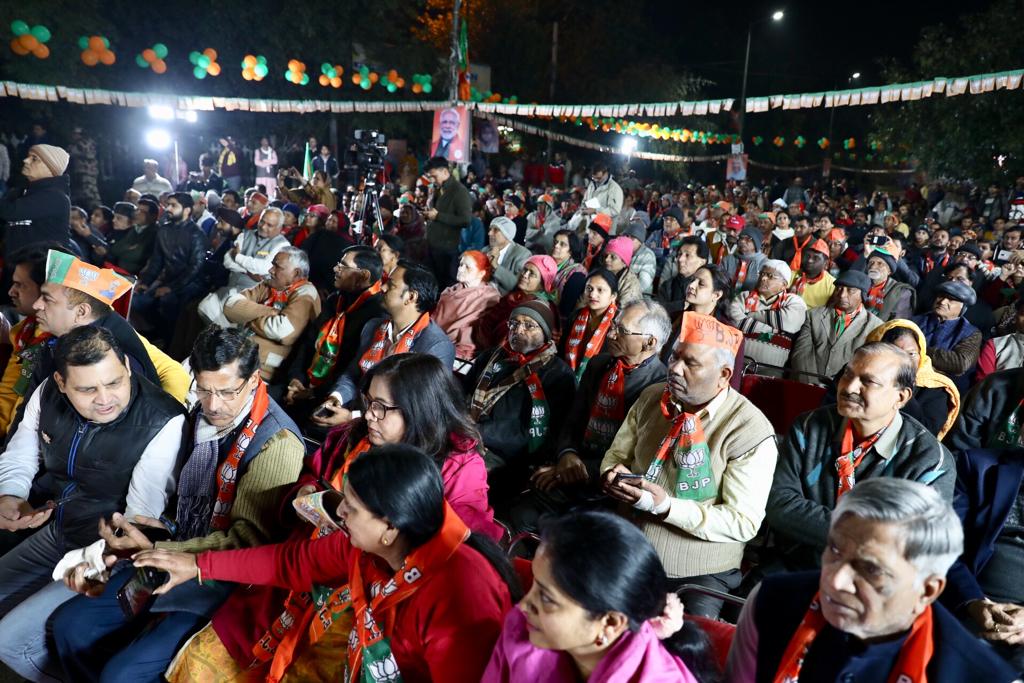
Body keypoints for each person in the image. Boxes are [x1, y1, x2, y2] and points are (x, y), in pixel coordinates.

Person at [166, 354, 505, 680]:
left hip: (372, 603)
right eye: (368, 401)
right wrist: (312, 494)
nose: (368, 415)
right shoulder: (357, 443)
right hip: (321, 569)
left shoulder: (448, 578)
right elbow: (294, 561)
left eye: (381, 408)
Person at [132, 444, 517, 682]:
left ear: (389, 527)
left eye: (351, 506)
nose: (340, 512)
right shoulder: (371, 547)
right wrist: (198, 565)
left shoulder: (462, 591)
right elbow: (291, 563)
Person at [50, 327, 305, 681]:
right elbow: (180, 506)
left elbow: (250, 541)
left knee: (122, 675)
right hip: (171, 550)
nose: (214, 404)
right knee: (69, 627)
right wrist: (145, 533)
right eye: (204, 388)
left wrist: (159, 546)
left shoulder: (275, 442)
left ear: (253, 380)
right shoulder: (199, 415)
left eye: (228, 391)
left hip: (224, 579)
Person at [0, 327, 186, 681]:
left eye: (114, 382)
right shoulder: (48, 392)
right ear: (62, 382)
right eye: (87, 389)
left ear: (128, 367)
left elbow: (139, 519)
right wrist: (10, 494)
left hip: (105, 550)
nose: (105, 398)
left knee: (9, 640)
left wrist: (95, 565)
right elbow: (22, 451)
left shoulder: (163, 421)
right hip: (60, 526)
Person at [729, 478, 1019, 682]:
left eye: (871, 570)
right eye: (834, 550)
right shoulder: (773, 602)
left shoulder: (978, 676)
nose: (836, 581)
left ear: (928, 590)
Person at [601, 312, 777, 617]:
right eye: (674, 358)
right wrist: (612, 474)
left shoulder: (749, 430)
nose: (675, 370)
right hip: (632, 547)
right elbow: (617, 455)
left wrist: (667, 506)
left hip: (699, 571)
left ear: (724, 375)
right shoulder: (654, 398)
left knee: (689, 647)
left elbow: (742, 522)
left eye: (691, 363)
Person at [766, 343, 955, 571]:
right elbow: (778, 504)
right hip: (793, 563)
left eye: (868, 382)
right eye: (847, 374)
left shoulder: (929, 460)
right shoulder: (809, 426)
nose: (849, 388)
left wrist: (816, 527)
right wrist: (867, 534)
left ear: (901, 397)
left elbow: (907, 543)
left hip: (868, 578)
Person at [484, 511, 712, 683]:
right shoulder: (523, 631)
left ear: (610, 623)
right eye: (534, 585)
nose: (524, 605)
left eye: (546, 599)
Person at [509, 301, 671, 532]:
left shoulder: (659, 388)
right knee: (522, 514)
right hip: (571, 466)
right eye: (614, 325)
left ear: (649, 342)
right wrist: (567, 454)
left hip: (608, 486)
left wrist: (577, 469)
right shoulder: (600, 364)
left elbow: (637, 459)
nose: (611, 333)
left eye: (622, 331)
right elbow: (574, 418)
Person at [18, 250, 189, 429]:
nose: (37, 305)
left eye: (47, 299)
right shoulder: (61, 338)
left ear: (82, 312)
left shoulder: (117, 358)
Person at [316, 261, 454, 426]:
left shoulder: (435, 346)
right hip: (356, 412)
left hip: (390, 431)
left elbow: (417, 409)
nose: (382, 288)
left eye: (391, 284)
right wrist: (336, 398)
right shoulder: (373, 326)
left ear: (411, 297)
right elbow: (353, 375)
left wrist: (352, 418)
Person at [466, 300, 575, 494]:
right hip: (468, 433)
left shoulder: (557, 374)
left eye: (529, 325)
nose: (518, 330)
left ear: (545, 333)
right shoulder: (492, 356)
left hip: (507, 455)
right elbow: (462, 392)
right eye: (514, 323)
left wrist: (478, 431)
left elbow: (536, 434)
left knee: (461, 475)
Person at [223, 247, 322, 381]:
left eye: (277, 266)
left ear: (296, 273)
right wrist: (274, 313)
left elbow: (283, 331)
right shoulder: (270, 284)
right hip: (237, 358)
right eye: (272, 265)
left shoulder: (306, 293)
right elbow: (230, 306)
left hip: (263, 373)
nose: (270, 270)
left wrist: (248, 319)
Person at [866, 319, 962, 439]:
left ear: (921, 353)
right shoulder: (860, 371)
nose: (905, 361)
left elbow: (927, 434)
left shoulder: (937, 389)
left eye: (911, 354)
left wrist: (899, 386)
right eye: (896, 353)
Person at [198, 206, 291, 326]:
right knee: (203, 308)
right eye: (262, 221)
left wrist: (238, 258)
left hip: (253, 295)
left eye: (269, 225)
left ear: (279, 228)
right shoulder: (245, 234)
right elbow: (227, 261)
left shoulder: (283, 245)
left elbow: (264, 268)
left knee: (227, 315)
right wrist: (248, 271)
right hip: (231, 287)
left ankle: (226, 336)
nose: (263, 226)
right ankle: (224, 334)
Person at [133, 192, 208, 336]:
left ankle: (170, 343)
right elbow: (157, 260)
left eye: (173, 205)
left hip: (191, 284)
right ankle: (155, 334)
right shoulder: (164, 230)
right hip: (169, 280)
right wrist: (146, 282)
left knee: (167, 302)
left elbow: (195, 269)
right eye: (168, 205)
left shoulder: (197, 235)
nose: (168, 209)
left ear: (187, 210)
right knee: (137, 301)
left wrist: (170, 288)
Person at [790, 270, 883, 380]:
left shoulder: (875, 326)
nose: (842, 295)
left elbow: (868, 363)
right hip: (807, 383)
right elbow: (802, 353)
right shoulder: (813, 315)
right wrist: (811, 383)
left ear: (863, 295)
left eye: (850, 290)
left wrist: (840, 387)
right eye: (838, 288)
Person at [0, 248, 49, 438]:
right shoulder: (23, 332)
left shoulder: (82, 343)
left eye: (20, 285)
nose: (11, 291)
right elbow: (10, 391)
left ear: (47, 289)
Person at [726, 259, 808, 368]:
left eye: (770, 276)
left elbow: (791, 322)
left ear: (784, 285)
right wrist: (774, 331)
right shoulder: (745, 296)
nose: (763, 278)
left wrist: (751, 315)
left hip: (774, 368)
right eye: (762, 274)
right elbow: (733, 320)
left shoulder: (793, 300)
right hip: (737, 361)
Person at [0, 144, 72, 261]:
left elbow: (11, 212)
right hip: (17, 268)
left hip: (42, 272)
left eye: (34, 159)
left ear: (51, 169)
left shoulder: (55, 197)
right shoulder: (19, 192)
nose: (26, 161)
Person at [913, 280, 982, 391]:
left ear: (963, 307)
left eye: (951, 299)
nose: (943, 302)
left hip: (938, 388)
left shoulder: (972, 333)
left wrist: (917, 349)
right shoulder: (917, 320)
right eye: (941, 296)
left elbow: (960, 363)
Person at [433, 250, 502, 361]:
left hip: (461, 355)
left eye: (467, 267)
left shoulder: (490, 298)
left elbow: (479, 336)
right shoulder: (451, 291)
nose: (460, 269)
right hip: (434, 341)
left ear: (481, 273)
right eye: (460, 265)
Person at [563, 269, 620, 383]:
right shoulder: (575, 316)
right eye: (589, 289)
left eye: (600, 290)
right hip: (568, 378)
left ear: (613, 296)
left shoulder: (618, 324)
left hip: (599, 381)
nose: (593, 294)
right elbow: (562, 349)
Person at [422, 156, 472, 285]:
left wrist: (438, 216)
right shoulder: (437, 189)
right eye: (430, 177)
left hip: (447, 249)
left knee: (445, 285)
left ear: (445, 171)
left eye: (434, 176)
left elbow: (465, 220)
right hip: (432, 245)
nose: (432, 180)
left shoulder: (459, 191)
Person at [99, 200, 157, 275]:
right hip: (116, 270)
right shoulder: (134, 229)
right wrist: (127, 248)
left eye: (142, 211)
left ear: (153, 216)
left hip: (131, 274)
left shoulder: (155, 233)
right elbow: (114, 250)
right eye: (137, 210)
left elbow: (136, 255)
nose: (137, 213)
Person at [658, 236, 710, 315]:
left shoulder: (707, 289)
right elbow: (658, 310)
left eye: (687, 255)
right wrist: (683, 304)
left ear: (702, 262)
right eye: (679, 254)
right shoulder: (668, 285)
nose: (680, 259)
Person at [863, 248, 917, 320]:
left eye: (880, 263)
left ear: (889, 271)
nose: (873, 267)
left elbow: (897, 323)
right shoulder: (861, 284)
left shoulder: (902, 292)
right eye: (871, 262)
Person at [484, 216, 533, 296]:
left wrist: (496, 266)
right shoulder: (485, 250)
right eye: (490, 229)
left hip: (505, 302)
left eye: (495, 230)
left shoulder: (522, 254)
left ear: (507, 234)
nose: (489, 233)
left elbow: (517, 285)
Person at [787, 238, 835, 309]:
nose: (809, 260)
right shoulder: (790, 275)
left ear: (826, 263)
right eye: (807, 256)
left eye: (816, 258)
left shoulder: (832, 284)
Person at [550, 229, 588, 317]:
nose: (556, 246)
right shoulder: (546, 262)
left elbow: (565, 311)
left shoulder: (577, 274)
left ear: (571, 251)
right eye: (555, 242)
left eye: (562, 244)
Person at [720, 226, 767, 292]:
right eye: (741, 238)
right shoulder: (728, 259)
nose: (742, 241)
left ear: (756, 243)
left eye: (748, 239)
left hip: (750, 300)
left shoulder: (764, 263)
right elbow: (720, 281)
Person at [601, 236, 644, 307]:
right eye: (606, 256)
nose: (606, 259)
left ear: (624, 262)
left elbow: (624, 313)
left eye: (613, 257)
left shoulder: (630, 285)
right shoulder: (602, 273)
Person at [581, 162, 624, 229]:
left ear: (606, 174)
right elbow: (585, 200)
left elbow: (615, 210)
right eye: (593, 178)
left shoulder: (614, 188)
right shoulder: (592, 184)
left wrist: (595, 210)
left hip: (605, 230)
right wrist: (584, 208)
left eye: (599, 178)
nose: (596, 180)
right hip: (591, 227)